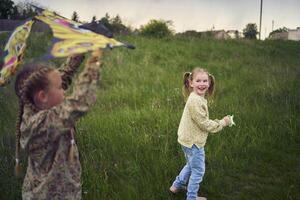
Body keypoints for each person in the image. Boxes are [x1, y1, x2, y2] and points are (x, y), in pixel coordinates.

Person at [14, 50, 102, 200]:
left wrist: (79, 51)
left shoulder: (38, 104)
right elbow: (79, 103)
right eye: (61, 87)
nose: (64, 90)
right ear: (42, 96)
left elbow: (61, 77)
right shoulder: (40, 124)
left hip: (64, 191)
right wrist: (94, 64)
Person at [169, 67, 234, 200]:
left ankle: (176, 185)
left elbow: (201, 121)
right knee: (198, 171)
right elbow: (204, 123)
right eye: (198, 81)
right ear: (191, 83)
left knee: (190, 165)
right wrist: (222, 122)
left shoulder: (196, 98)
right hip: (194, 142)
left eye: (205, 81)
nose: (202, 84)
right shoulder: (195, 101)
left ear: (209, 83)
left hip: (186, 139)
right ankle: (192, 197)